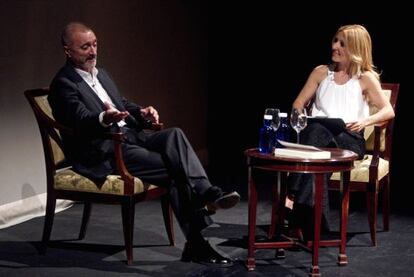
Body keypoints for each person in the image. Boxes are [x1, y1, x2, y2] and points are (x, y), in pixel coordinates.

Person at [48, 22, 240, 266]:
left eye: (95, 44)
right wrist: (104, 118)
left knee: (174, 135)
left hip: (129, 138)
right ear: (68, 50)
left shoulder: (101, 74)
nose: (93, 51)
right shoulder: (63, 84)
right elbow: (80, 119)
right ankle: (197, 239)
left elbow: (122, 104)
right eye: (85, 47)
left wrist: (142, 112)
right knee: (173, 167)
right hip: (105, 151)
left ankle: (206, 192)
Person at [286, 24, 395, 240]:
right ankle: (316, 229)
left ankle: (290, 195)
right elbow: (298, 103)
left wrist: (366, 120)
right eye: (335, 40)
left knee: (317, 133)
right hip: (318, 141)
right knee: (318, 143)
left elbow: (388, 110)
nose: (335, 46)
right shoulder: (320, 72)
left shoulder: (365, 78)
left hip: (349, 140)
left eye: (342, 44)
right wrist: (300, 115)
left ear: (355, 48)